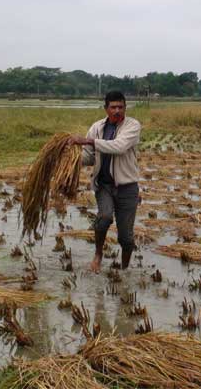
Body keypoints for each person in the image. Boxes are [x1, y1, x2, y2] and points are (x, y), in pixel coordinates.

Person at [70, 91, 141, 273]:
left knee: (126, 238)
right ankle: (98, 254)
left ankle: (124, 271)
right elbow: (88, 156)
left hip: (127, 188)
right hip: (104, 186)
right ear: (106, 108)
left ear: (125, 108)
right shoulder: (97, 127)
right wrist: (69, 161)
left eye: (121, 107)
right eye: (113, 107)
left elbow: (119, 146)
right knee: (104, 218)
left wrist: (87, 140)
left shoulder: (132, 125)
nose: (117, 110)